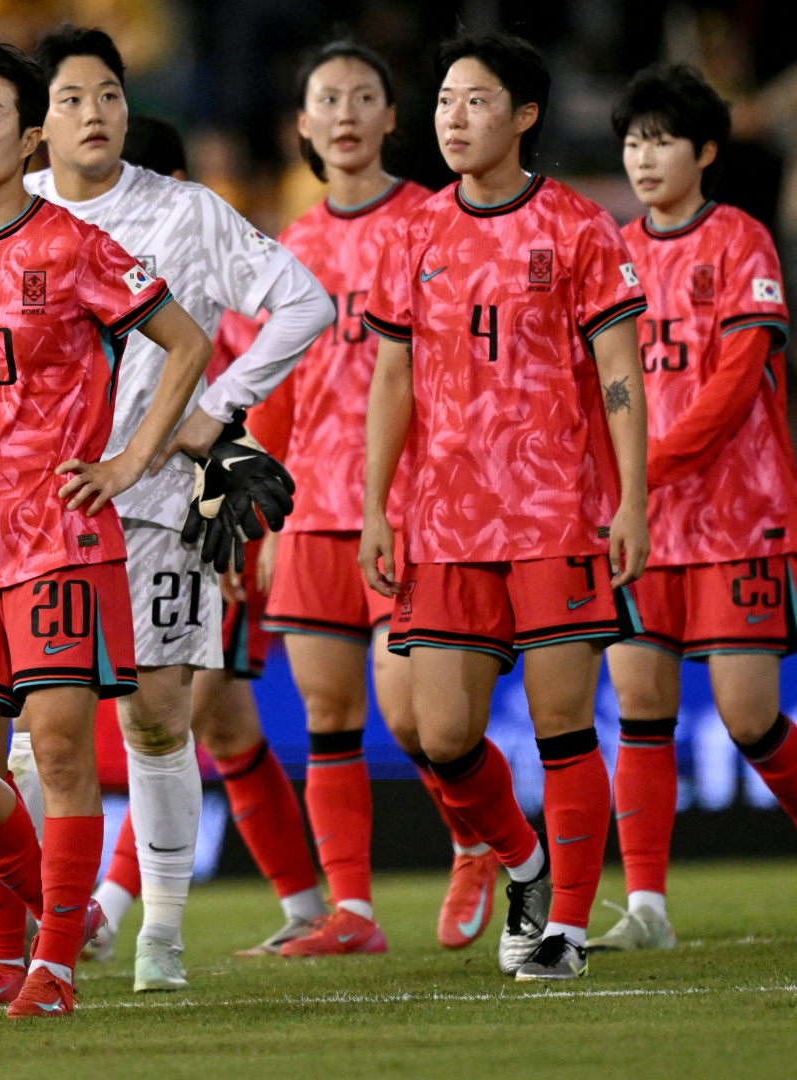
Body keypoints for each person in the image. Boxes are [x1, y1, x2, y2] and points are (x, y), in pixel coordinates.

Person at [0, 41, 216, 1017]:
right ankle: (36, 932)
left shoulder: (70, 244)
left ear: (29, 137)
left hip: (56, 537)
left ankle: (52, 965)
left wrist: (128, 461)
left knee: (61, 753)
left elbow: (183, 340)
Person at [10, 25, 332, 989]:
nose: (95, 113)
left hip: (151, 501)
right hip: (27, 512)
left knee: (156, 718)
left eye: (109, 93)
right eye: (71, 98)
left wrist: (217, 409)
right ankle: (45, 929)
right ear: (36, 125)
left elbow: (304, 300)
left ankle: (159, 939)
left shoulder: (185, 213)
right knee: (27, 731)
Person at [361, 32, 650, 983]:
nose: (453, 117)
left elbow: (617, 374)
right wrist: (376, 507)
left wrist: (631, 501)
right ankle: (520, 865)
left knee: (562, 724)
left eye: (476, 101)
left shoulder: (575, 227)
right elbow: (392, 376)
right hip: (443, 521)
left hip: (552, 513)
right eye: (444, 100)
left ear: (523, 116)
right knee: (440, 736)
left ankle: (563, 925)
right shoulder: (411, 231)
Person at [251, 39, 503, 956]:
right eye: (329, 98)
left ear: (394, 118)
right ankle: (350, 912)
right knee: (327, 716)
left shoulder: (434, 223)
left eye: (366, 95)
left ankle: (476, 839)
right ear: (304, 126)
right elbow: (270, 394)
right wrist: (265, 519)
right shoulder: (290, 247)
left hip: (412, 507)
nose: (348, 112)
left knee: (412, 715)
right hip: (312, 507)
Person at [596, 63, 797, 953]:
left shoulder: (742, 241)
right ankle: (646, 908)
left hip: (737, 513)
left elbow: (733, 383)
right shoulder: (608, 254)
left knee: (749, 715)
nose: (643, 157)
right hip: (645, 523)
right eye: (632, 140)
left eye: (661, 139)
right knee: (638, 701)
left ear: (705, 150)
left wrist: (641, 471)